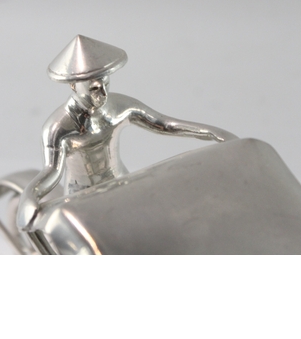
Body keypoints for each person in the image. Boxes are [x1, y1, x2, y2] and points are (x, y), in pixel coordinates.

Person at [17, 35, 237, 231]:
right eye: (94, 88)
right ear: (74, 86)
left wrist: (213, 133)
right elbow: (51, 171)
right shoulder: (58, 127)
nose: (103, 94)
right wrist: (29, 198)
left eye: (106, 84)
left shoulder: (119, 107)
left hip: (121, 183)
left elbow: (165, 124)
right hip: (79, 198)